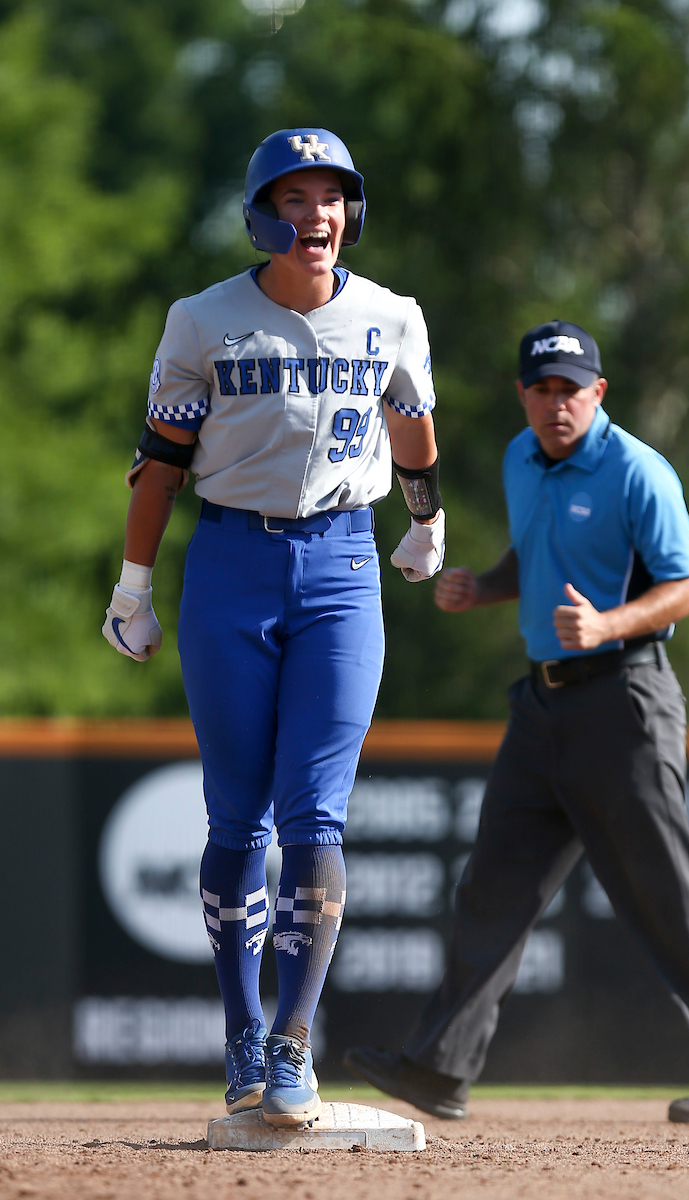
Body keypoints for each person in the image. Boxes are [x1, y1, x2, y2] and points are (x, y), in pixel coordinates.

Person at [344, 320, 689, 1126]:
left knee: (665, 893)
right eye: (541, 388)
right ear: (524, 395)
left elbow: (685, 588)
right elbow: (536, 558)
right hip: (542, 706)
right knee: (493, 883)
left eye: (571, 387)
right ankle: (440, 1067)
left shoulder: (638, 471)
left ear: (598, 392)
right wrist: (487, 587)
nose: (556, 402)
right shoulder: (520, 459)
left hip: (626, 699)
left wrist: (609, 625)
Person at [102, 128, 445, 1126]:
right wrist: (133, 587)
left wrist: (428, 519)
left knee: (314, 818)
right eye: (293, 200)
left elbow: (413, 422)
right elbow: (159, 465)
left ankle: (294, 1043)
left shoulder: (390, 317)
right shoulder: (202, 320)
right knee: (234, 818)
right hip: (230, 564)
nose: (315, 217)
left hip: (341, 565)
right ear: (261, 216)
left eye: (330, 198)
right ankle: (242, 1030)